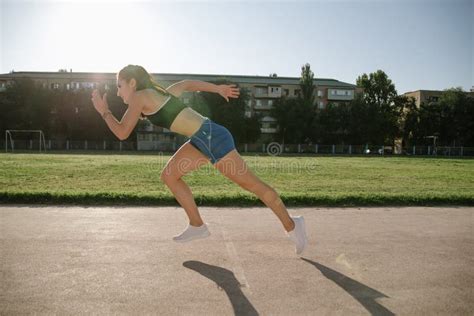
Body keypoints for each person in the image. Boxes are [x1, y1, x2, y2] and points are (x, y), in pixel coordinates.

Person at [91, 64, 308, 255]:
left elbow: (122, 132)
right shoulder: (155, 94)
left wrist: (104, 112)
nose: (118, 93)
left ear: (132, 82)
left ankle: (292, 225)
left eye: (119, 86)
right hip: (202, 139)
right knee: (169, 175)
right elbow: (185, 84)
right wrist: (218, 89)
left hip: (212, 138)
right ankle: (197, 225)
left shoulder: (140, 96)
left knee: (254, 185)